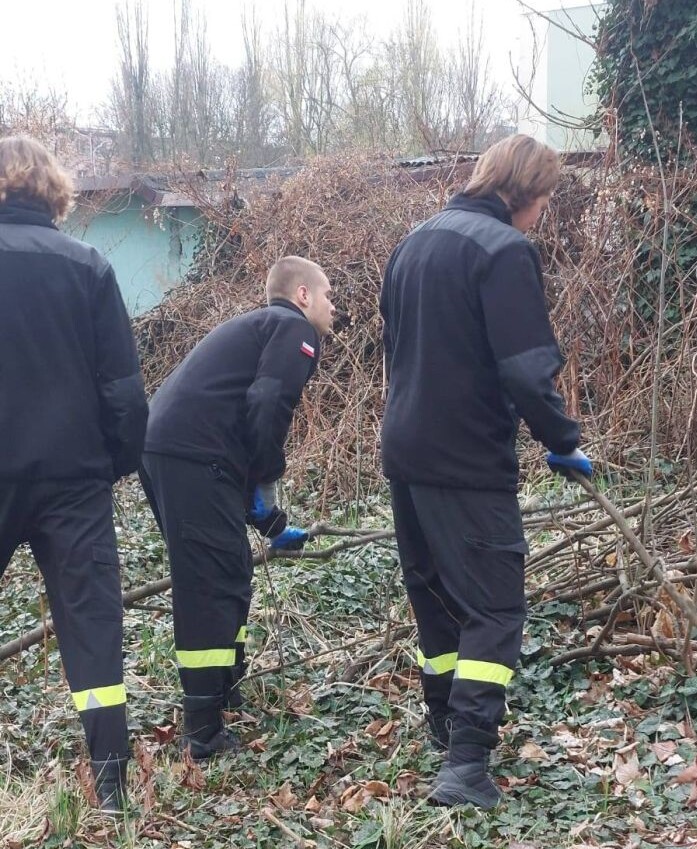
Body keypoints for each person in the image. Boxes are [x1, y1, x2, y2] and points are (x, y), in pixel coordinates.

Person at [380, 134, 592, 811]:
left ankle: (443, 726)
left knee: (438, 600)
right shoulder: (504, 252)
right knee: (495, 608)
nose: (542, 216)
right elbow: (526, 368)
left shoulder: (414, 243)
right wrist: (562, 439)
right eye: (545, 201)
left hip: (406, 451)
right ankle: (466, 765)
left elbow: (398, 345)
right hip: (467, 457)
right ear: (525, 192)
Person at [0, 135, 148, 813]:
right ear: (52, 189)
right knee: (92, 625)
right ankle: (112, 784)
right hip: (73, 476)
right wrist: (116, 459)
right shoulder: (87, 264)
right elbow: (121, 385)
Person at [140, 256, 335, 760]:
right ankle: (203, 733)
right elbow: (269, 403)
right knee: (209, 580)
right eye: (328, 295)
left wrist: (268, 520)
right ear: (303, 296)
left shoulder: (258, 327)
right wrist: (268, 477)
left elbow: (245, 420)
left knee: (228, 570)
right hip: (192, 455)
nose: (333, 306)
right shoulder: (294, 329)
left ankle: (225, 695)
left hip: (181, 452)